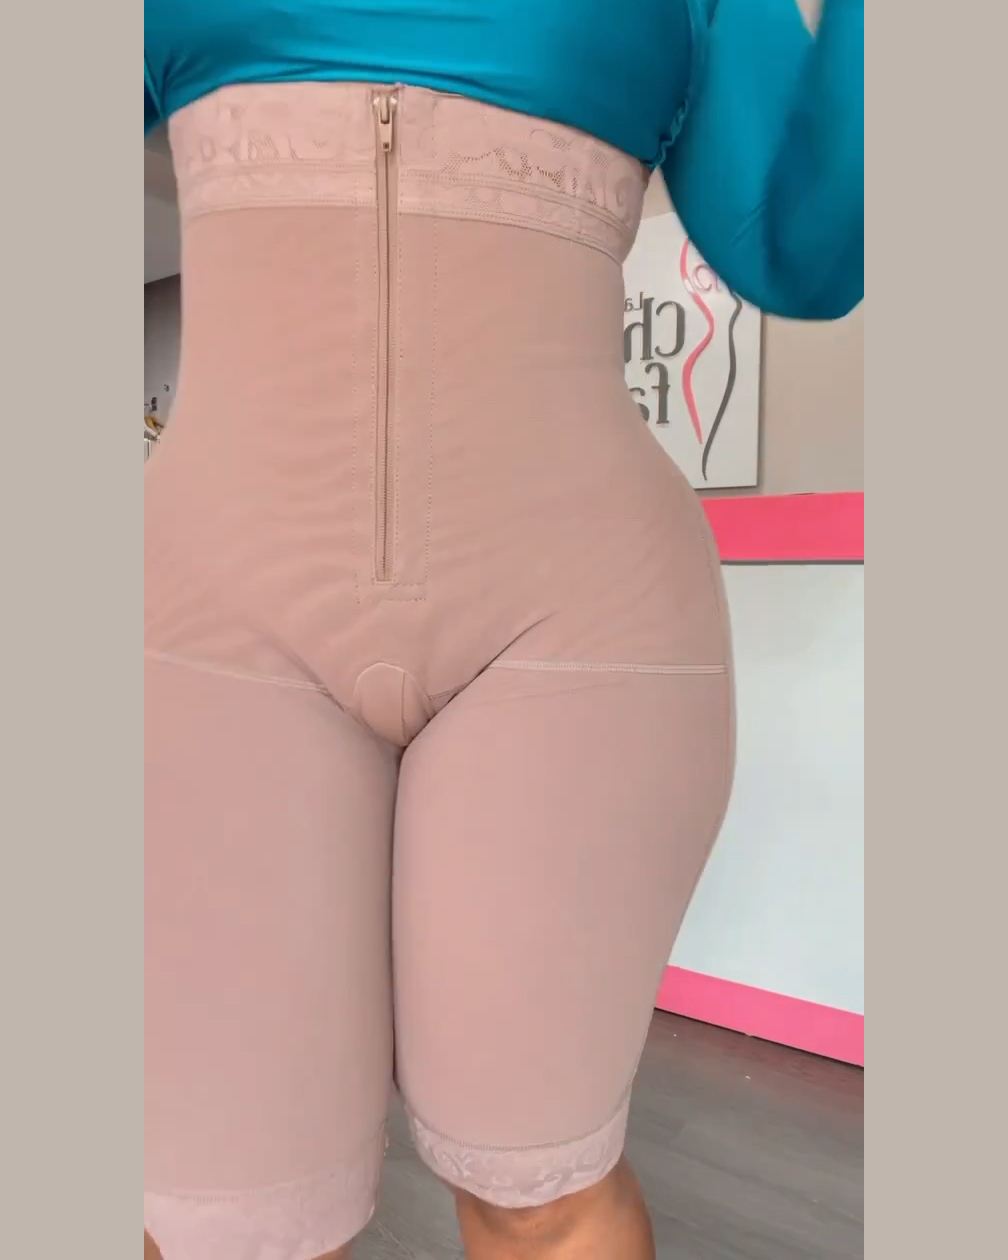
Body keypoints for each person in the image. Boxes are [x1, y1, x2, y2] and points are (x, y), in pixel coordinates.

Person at [142, 1, 863, 1257]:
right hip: (213, 625)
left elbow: (806, 248)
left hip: (571, 625)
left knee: (542, 1192)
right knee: (218, 1222)